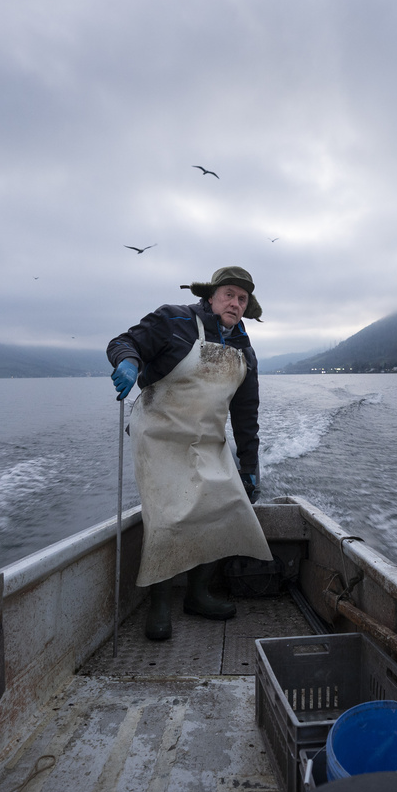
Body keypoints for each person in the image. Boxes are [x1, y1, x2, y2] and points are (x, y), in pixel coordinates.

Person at [107, 265, 273, 640]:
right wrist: (128, 362)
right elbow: (124, 341)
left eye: (242, 298)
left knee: (227, 506)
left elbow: (246, 417)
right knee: (169, 517)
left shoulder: (245, 351)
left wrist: (250, 467)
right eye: (228, 294)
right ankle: (160, 604)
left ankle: (198, 594)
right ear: (211, 297)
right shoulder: (174, 320)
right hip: (159, 435)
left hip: (207, 438)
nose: (235, 302)